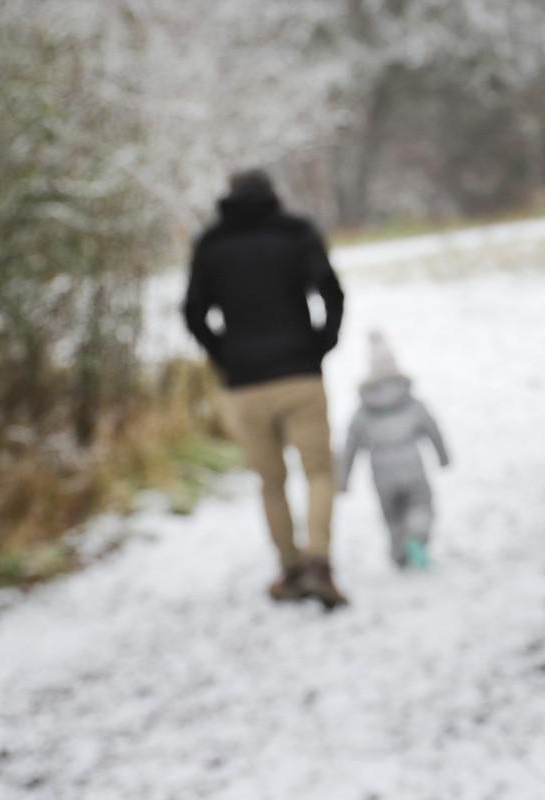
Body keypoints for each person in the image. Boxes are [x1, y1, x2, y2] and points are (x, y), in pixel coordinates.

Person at [183, 169, 347, 609]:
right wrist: (320, 344)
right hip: (300, 374)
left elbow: (193, 312)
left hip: (245, 384)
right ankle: (319, 563)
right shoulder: (296, 233)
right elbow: (331, 291)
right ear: (274, 195)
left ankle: (290, 570)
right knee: (319, 472)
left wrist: (224, 354)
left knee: (270, 481)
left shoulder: (211, 245)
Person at [339, 331, 450, 569]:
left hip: (381, 472)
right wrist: (443, 456)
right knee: (421, 506)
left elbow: (350, 446)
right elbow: (432, 428)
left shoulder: (363, 411)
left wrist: (343, 478)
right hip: (412, 466)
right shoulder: (412, 403)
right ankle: (416, 535)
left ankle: (399, 553)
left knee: (391, 516)